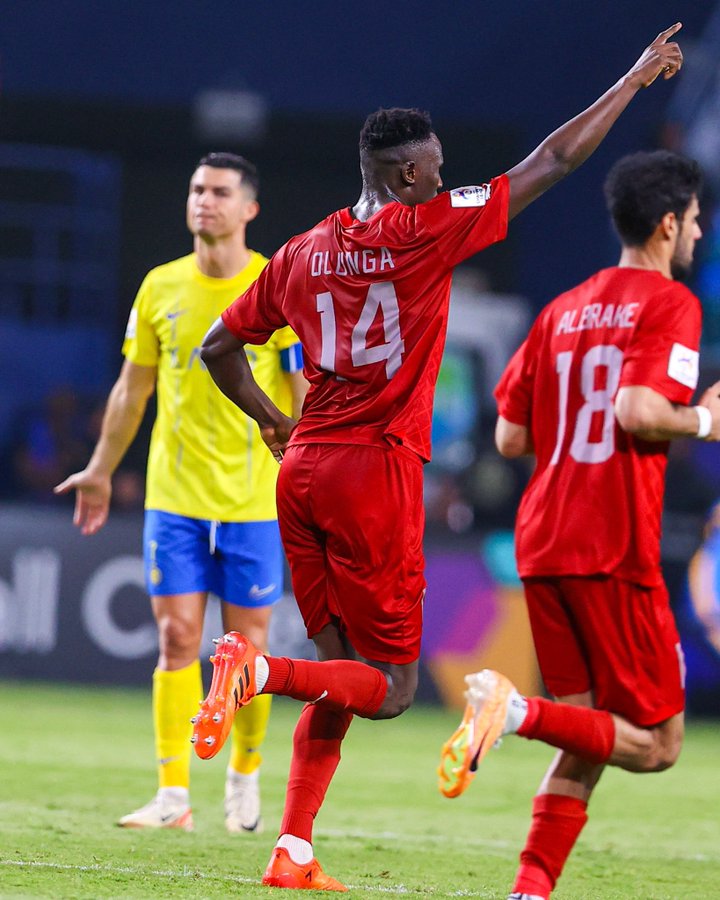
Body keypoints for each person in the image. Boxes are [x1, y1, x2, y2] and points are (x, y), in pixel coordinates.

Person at [192, 26, 684, 892]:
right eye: (438, 162)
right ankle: (255, 667)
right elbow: (554, 159)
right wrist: (633, 81)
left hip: (301, 469)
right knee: (389, 688)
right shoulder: (430, 227)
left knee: (340, 673)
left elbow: (216, 347)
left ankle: (293, 849)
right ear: (410, 175)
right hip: (373, 471)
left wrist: (273, 419)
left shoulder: (305, 250)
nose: (446, 171)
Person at [438, 149, 720, 900]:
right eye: (694, 222)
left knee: (589, 733)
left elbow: (509, 436)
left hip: (542, 540)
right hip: (611, 543)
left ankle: (529, 891)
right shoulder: (671, 306)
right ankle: (515, 710)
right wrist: (704, 418)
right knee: (657, 746)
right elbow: (636, 410)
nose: (697, 235)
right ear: (667, 224)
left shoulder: (564, 307)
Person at [54, 153, 307, 834]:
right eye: (197, 188)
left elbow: (300, 392)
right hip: (175, 494)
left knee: (248, 651)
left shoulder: (274, 287)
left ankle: (244, 777)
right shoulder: (160, 286)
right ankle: (172, 796)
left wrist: (307, 472)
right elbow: (132, 389)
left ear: (249, 208)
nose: (205, 200)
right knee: (175, 640)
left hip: (253, 498)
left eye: (220, 191)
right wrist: (102, 468)